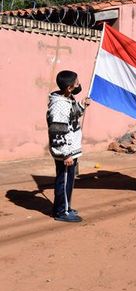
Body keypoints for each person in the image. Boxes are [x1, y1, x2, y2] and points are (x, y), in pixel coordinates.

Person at [47, 70, 91, 222]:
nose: (79, 85)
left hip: (71, 150)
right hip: (66, 152)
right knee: (64, 180)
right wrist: (66, 153)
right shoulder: (59, 106)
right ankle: (61, 212)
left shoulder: (68, 99)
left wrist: (81, 106)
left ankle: (65, 206)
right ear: (69, 88)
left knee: (68, 180)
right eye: (77, 83)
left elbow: (72, 116)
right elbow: (57, 132)